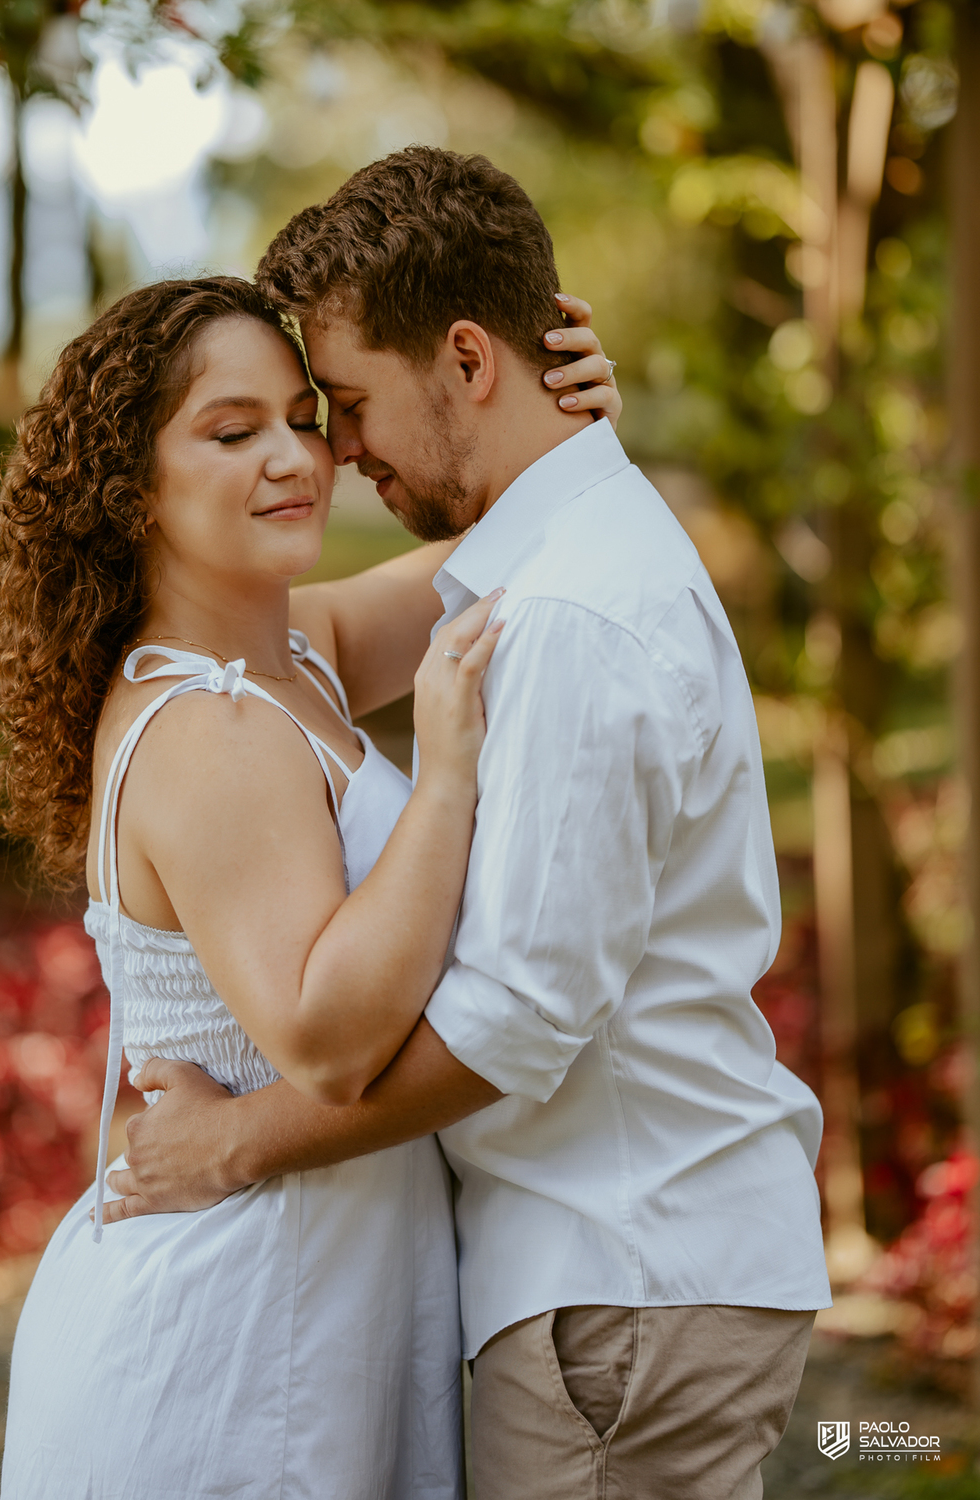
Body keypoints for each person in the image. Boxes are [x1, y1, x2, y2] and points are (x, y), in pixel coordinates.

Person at [103, 148, 834, 1499]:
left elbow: (517, 1020)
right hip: (602, 1271)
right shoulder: (545, 564)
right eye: (255, 425)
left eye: (347, 404)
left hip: (621, 1272)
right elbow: (356, 604)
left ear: (465, 359)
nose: (334, 449)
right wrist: (569, 445)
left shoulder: (561, 616)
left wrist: (230, 1141)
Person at [0, 273, 619, 1498]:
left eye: (303, 417)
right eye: (231, 431)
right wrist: (445, 781)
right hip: (232, 1340)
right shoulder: (211, 727)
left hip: (309, 1297)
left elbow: (506, 554)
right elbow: (324, 1034)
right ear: (132, 490)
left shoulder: (289, 653)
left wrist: (563, 428)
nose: (294, 458)